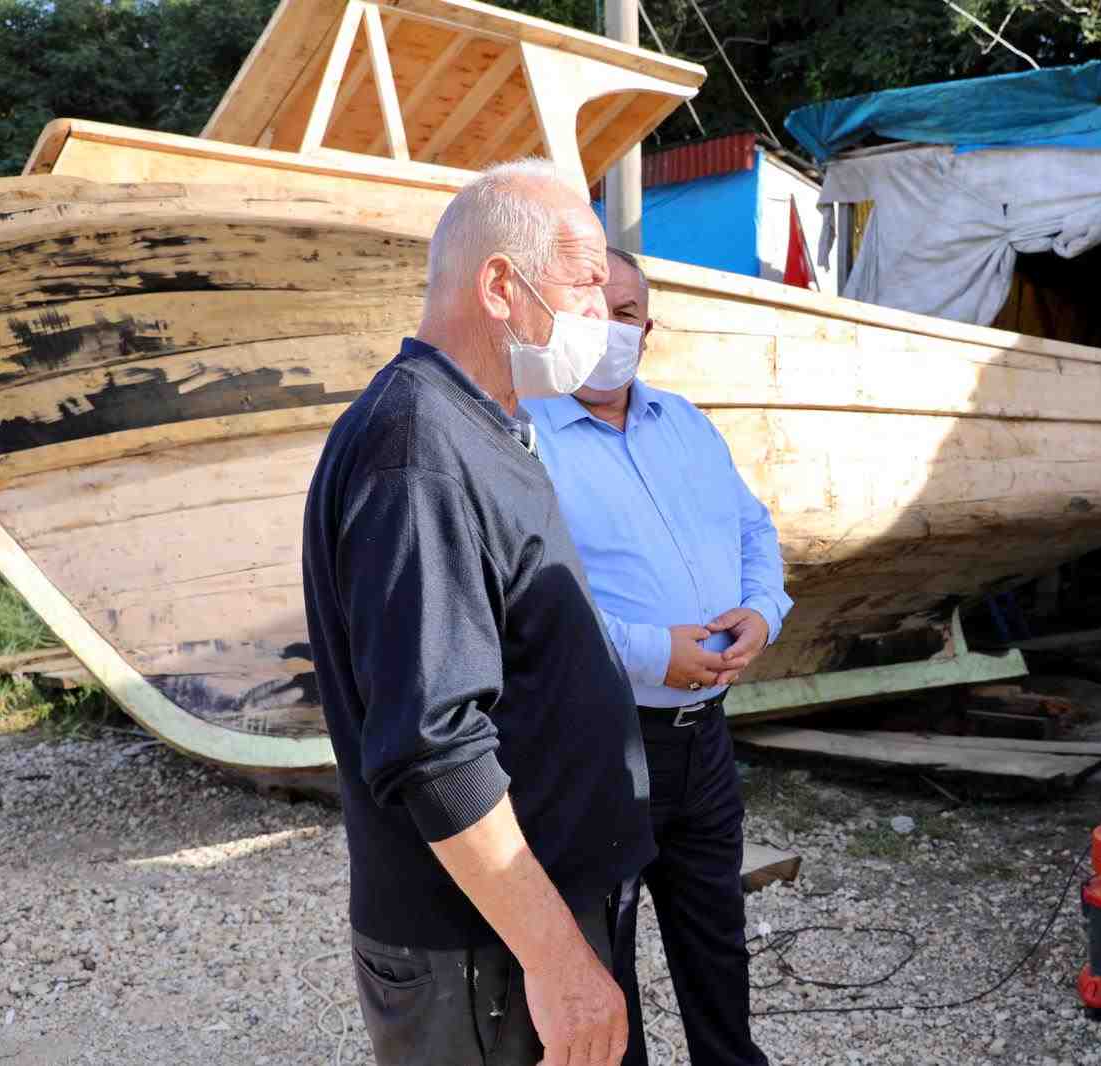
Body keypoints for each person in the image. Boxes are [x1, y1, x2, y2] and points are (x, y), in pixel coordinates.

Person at [301, 158, 654, 1066]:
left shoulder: (481, 424)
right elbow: (435, 745)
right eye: (583, 284)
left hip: (524, 926)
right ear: (503, 285)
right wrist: (560, 962)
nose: (599, 309)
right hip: (484, 952)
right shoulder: (416, 452)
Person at [522, 247, 792, 1066]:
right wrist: (650, 654)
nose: (611, 328)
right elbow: (528, 601)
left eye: (628, 312)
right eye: (594, 310)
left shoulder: (689, 424)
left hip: (703, 738)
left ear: (650, 328)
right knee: (606, 952)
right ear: (559, 323)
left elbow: (753, 530)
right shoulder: (525, 440)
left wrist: (762, 611)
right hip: (600, 742)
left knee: (715, 937)